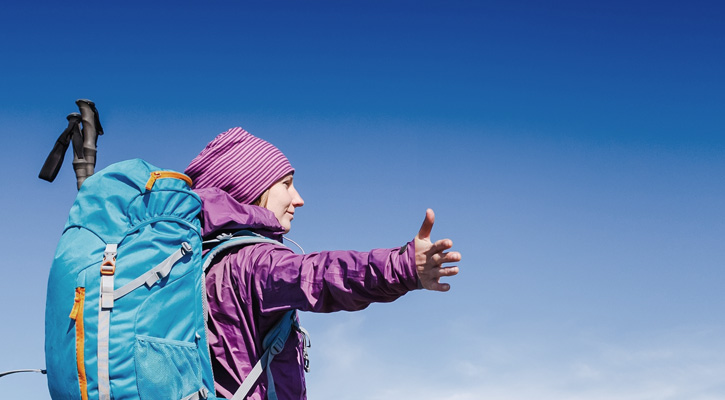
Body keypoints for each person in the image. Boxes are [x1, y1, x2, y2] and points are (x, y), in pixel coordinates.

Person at [184, 127, 461, 400]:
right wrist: (402, 267)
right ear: (249, 186)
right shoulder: (254, 263)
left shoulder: (196, 266)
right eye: (286, 184)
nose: (298, 199)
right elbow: (321, 274)